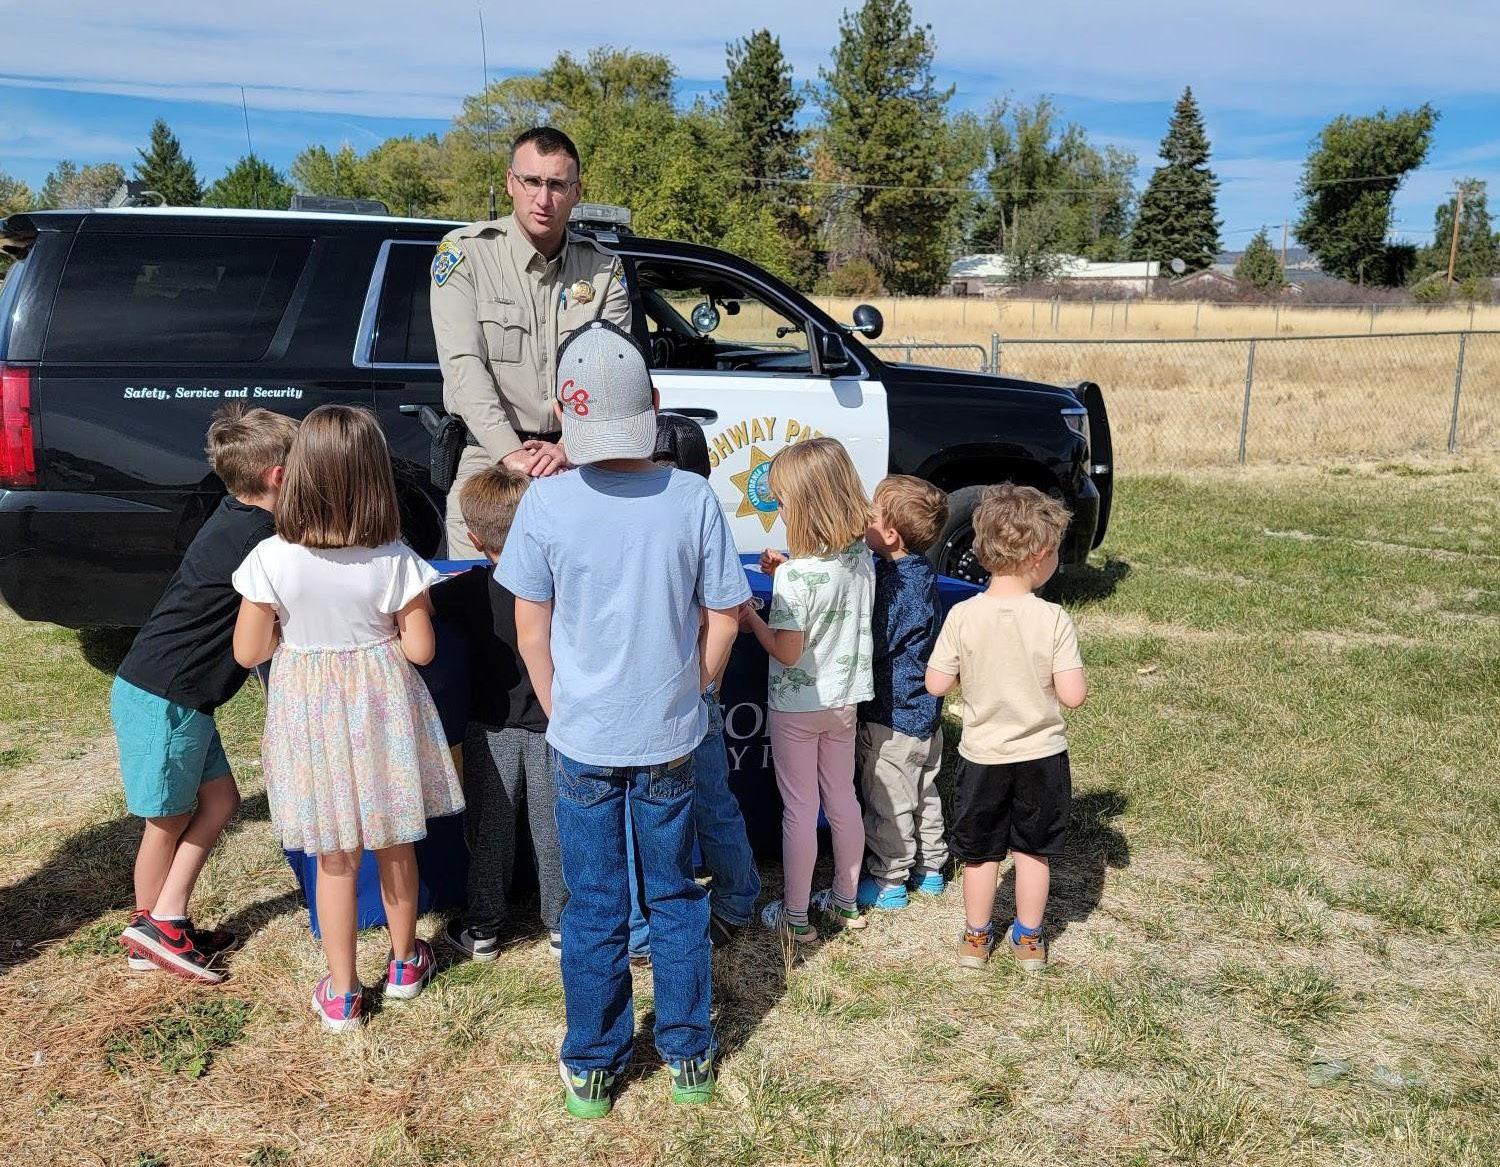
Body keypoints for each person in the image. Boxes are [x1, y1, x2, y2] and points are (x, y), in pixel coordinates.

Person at [498, 320, 748, 1117]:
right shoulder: (692, 496)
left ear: (564, 416)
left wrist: (557, 706)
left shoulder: (545, 501)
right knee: (675, 894)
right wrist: (696, 692)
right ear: (655, 403)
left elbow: (529, 627)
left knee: (595, 903)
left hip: (582, 737)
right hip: (671, 734)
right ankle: (688, 1051)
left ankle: (594, 1061)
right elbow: (725, 617)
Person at [231, 405, 463, 1031]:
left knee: (333, 853)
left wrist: (292, 638)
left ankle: (341, 991)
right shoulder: (394, 558)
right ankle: (405, 962)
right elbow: (421, 650)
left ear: (298, 474)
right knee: (394, 840)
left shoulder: (270, 559)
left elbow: (248, 652)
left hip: (309, 714)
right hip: (381, 710)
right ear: (375, 478)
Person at [114, 405, 299, 982]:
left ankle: (162, 921)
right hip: (165, 697)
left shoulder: (238, 514)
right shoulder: (259, 540)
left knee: (220, 803)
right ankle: (153, 930)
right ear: (278, 476)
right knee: (167, 820)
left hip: (182, 698)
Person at [430, 125, 632, 557]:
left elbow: (612, 373)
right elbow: (464, 366)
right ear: (510, 182)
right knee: (480, 593)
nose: (543, 198)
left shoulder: (603, 269)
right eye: (532, 181)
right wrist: (511, 454)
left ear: (576, 192)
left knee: (584, 588)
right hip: (489, 456)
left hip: (578, 455)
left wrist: (567, 447)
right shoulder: (466, 254)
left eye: (557, 185)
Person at [925, 485, 1087, 972]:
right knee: (1034, 851)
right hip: (1041, 756)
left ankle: (976, 937)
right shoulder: (1053, 618)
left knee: (980, 854)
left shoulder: (962, 615)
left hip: (983, 755)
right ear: (1039, 555)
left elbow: (936, 684)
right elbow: (1073, 695)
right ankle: (1030, 938)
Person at [624, 414, 762, 963]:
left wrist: (702, 686)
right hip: (665, 690)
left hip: (687, 691)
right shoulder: (675, 516)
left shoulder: (695, 519)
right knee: (659, 809)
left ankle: (734, 900)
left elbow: (723, 612)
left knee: (702, 802)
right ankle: (646, 924)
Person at [740, 437, 875, 943]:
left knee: (799, 808)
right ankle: (845, 900)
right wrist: (787, 571)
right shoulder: (860, 557)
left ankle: (795, 916)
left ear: (803, 506)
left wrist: (753, 617)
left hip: (797, 707)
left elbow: (787, 650)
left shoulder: (797, 577)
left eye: (782, 501)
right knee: (843, 798)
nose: (778, 510)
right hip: (844, 701)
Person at [433, 467, 564, 963]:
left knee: (490, 829)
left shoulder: (466, 590)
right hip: (554, 721)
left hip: (491, 727)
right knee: (555, 829)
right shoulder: (558, 583)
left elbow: (420, 605)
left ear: (472, 537)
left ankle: (483, 927)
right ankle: (562, 925)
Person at [856, 475, 952, 911]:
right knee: (924, 794)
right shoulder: (920, 570)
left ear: (891, 533)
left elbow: (876, 643)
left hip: (892, 716)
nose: (864, 515)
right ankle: (931, 869)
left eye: (872, 512)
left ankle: (889, 879)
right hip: (926, 713)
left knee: (889, 801)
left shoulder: (896, 587)